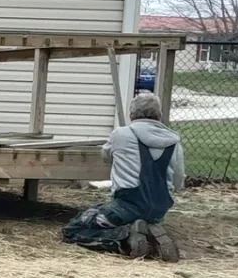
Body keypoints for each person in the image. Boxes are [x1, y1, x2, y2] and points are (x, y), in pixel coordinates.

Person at [61, 92, 186, 261]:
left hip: (126, 207)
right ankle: (151, 230)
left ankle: (126, 237)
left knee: (74, 228)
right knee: (147, 217)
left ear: (132, 114)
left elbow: (106, 156)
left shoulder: (121, 135)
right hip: (159, 209)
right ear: (159, 115)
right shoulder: (174, 142)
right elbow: (178, 182)